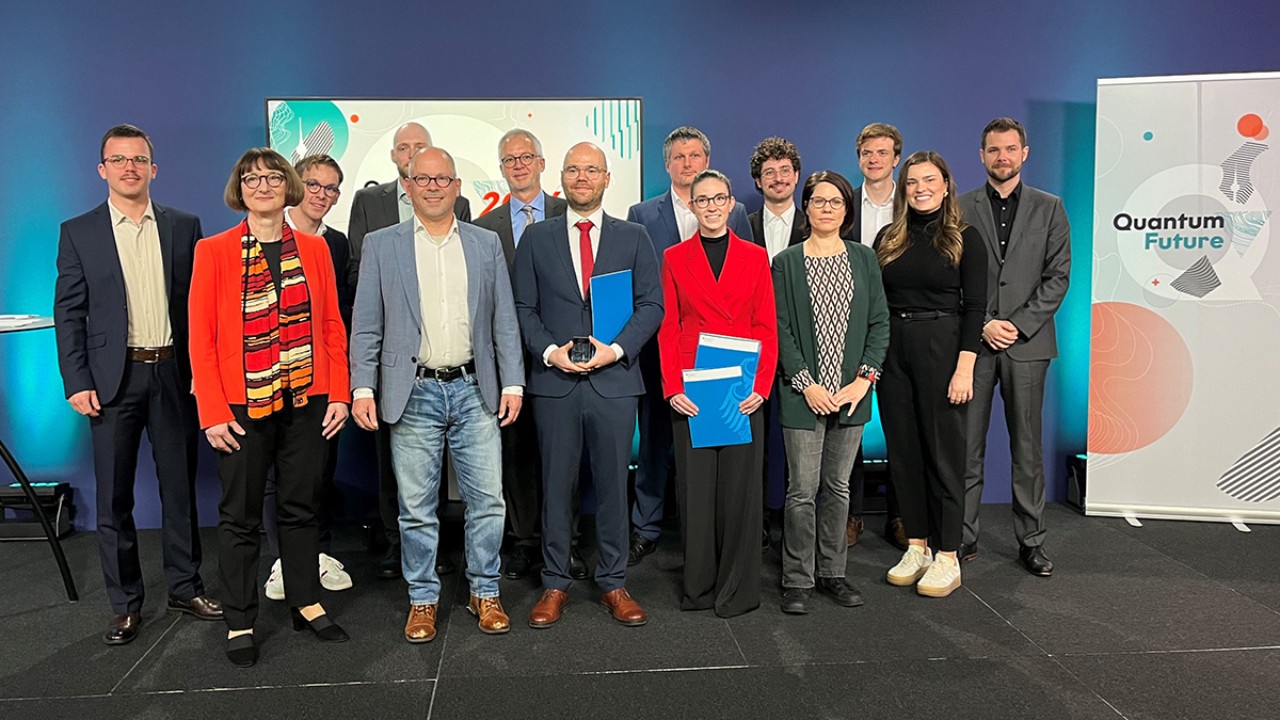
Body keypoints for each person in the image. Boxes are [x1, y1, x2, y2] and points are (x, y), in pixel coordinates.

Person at [54, 124, 221, 646]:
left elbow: (199, 307)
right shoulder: (78, 231)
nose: (130, 167)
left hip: (173, 373)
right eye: (119, 159)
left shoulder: (184, 226)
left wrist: (204, 374)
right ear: (103, 169)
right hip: (110, 382)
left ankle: (184, 586)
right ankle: (125, 604)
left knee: (180, 490)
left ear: (154, 168)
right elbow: (69, 313)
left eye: (140, 159)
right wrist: (76, 379)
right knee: (114, 499)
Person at [349, 146, 524, 642]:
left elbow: (504, 321)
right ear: (407, 185)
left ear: (456, 186)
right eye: (421, 179)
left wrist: (513, 381)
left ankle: (483, 591)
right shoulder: (383, 245)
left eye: (442, 179)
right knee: (416, 507)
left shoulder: (485, 243)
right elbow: (366, 326)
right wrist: (363, 386)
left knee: (488, 501)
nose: (432, 187)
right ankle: (422, 600)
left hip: (475, 389)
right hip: (413, 391)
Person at [190, 147, 351, 667]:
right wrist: (212, 410)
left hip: (307, 397)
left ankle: (306, 601)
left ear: (289, 186)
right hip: (239, 404)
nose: (263, 185)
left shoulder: (315, 249)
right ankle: (240, 620)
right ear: (240, 188)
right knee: (239, 517)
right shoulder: (212, 251)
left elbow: (331, 326)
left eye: (273, 176)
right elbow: (202, 339)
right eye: (252, 178)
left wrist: (341, 393)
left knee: (301, 508)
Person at [513, 142, 663, 628]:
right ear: (561, 176)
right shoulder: (536, 237)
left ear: (606, 178)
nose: (582, 177)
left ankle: (614, 582)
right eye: (573, 169)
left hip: (614, 382)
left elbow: (651, 307)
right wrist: (551, 353)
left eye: (591, 169)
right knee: (556, 486)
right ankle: (555, 582)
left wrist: (615, 351)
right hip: (554, 382)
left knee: (613, 487)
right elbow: (522, 310)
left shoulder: (634, 236)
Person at [346, 122, 469, 580]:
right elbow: (360, 276)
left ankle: (437, 551)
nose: (414, 154)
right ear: (399, 164)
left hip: (453, 364)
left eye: (422, 147)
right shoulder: (369, 204)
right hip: (395, 357)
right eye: (405, 148)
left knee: (438, 472)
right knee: (392, 464)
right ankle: (397, 544)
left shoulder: (460, 211)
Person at [625, 126, 752, 566]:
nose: (687, 163)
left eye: (695, 155)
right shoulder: (641, 214)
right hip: (663, 349)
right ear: (667, 165)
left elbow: (746, 278)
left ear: (707, 161)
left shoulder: (734, 213)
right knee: (655, 440)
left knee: (711, 450)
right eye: (679, 157)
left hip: (720, 358)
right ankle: (647, 526)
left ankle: (704, 530)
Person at [658, 169, 777, 617]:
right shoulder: (673, 257)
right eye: (702, 199)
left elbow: (766, 325)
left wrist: (761, 387)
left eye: (718, 198)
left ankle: (738, 589)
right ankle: (700, 588)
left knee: (740, 492)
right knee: (698, 491)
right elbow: (669, 329)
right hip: (695, 389)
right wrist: (672, 387)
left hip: (743, 390)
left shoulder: (755, 256)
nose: (710, 206)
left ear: (731, 205)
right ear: (691, 205)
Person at [959, 118, 1071, 576]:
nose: (1001, 157)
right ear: (981, 155)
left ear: (1025, 152)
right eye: (993, 150)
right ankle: (961, 539)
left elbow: (1058, 276)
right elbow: (952, 275)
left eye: (1009, 149)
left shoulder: (1050, 207)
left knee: (1027, 448)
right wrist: (985, 323)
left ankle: (1032, 541)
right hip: (975, 346)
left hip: (1028, 346)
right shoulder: (959, 207)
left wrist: (1016, 325)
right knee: (967, 447)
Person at [773, 171, 889, 614]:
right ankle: (797, 579)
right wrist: (806, 384)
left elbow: (880, 322)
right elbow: (782, 330)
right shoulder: (786, 262)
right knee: (801, 489)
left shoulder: (863, 259)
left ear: (847, 209)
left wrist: (864, 379)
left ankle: (833, 573)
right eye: (818, 201)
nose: (826, 208)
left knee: (838, 487)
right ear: (806, 208)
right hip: (804, 395)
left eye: (835, 201)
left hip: (853, 395)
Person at [875, 151, 986, 599]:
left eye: (929, 180)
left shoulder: (964, 237)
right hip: (894, 350)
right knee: (904, 452)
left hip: (943, 347)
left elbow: (975, 307)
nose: (920, 188)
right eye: (912, 182)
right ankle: (917, 546)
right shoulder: (888, 237)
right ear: (903, 190)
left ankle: (947, 555)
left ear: (945, 185)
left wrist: (965, 367)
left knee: (944, 455)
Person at [471, 129, 577, 581]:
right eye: (509, 159)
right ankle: (523, 541)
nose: (518, 165)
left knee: (563, 454)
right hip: (505, 359)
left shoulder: (568, 213)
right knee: (513, 454)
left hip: (563, 354)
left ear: (541, 162)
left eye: (526, 156)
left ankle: (565, 543)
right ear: (501, 169)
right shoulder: (484, 226)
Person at [262, 153, 355, 602]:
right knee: (272, 477)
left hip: (318, 379)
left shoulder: (336, 243)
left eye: (331, 188)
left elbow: (340, 316)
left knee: (318, 471)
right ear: (296, 186)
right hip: (265, 377)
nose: (322, 195)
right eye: (314, 185)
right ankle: (284, 560)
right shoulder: (263, 234)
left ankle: (316, 553)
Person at [846, 123, 906, 550]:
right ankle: (851, 515)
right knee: (849, 424)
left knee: (901, 426)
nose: (874, 159)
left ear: (896, 158)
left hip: (902, 324)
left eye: (882, 152)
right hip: (849, 325)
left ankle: (902, 515)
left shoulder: (915, 201)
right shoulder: (842, 203)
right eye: (867, 152)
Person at [746, 137, 806, 548]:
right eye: (769, 172)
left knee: (798, 438)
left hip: (803, 347)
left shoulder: (818, 223)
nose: (778, 178)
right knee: (756, 438)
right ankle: (760, 517)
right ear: (758, 180)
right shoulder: (741, 225)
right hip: (751, 346)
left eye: (785, 171)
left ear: (797, 176)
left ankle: (794, 519)